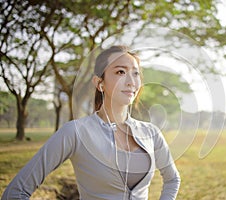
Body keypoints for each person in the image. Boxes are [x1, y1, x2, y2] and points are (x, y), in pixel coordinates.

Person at [2, 45, 181, 200]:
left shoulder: (151, 133)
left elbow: (172, 179)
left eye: (135, 73)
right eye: (120, 72)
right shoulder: (75, 132)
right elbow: (15, 192)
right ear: (99, 83)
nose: (131, 81)